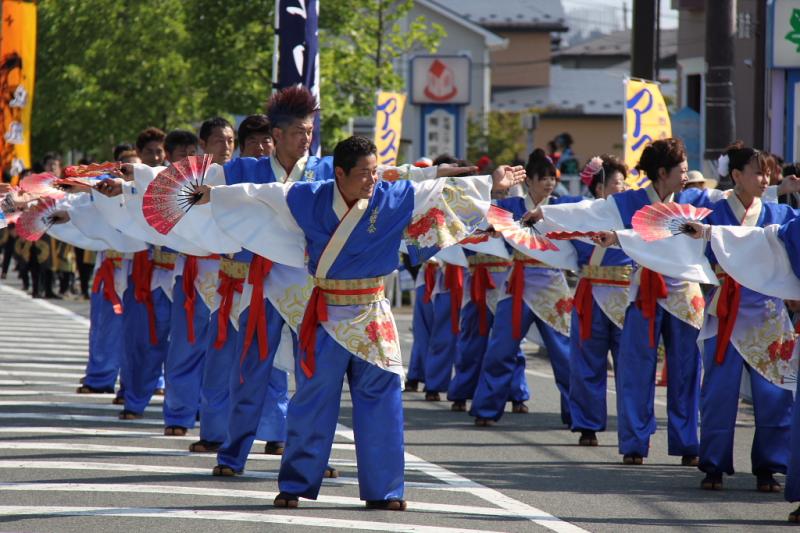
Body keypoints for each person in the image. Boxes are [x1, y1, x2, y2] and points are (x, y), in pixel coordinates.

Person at [194, 135, 524, 510]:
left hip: (372, 312)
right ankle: (296, 482)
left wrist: (490, 186)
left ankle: (384, 490)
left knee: (381, 400)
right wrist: (214, 196)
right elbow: (259, 194)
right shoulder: (309, 197)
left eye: (375, 171)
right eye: (365, 173)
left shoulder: (390, 197)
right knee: (312, 400)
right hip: (326, 311)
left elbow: (435, 191)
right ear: (340, 174)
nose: (373, 180)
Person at [675, 143, 797, 493]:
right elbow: (681, 241)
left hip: (768, 312)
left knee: (775, 393)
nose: (765, 178)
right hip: (725, 309)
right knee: (718, 392)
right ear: (736, 175)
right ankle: (713, 464)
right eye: (757, 171)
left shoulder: (780, 214)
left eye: (768, 171)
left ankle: (769, 467)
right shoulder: (710, 211)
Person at [566, 155, 633, 447]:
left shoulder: (634, 213)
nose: (624, 187)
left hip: (628, 295)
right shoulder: (580, 213)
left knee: (630, 365)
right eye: (618, 182)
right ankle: (587, 424)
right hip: (591, 293)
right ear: (599, 188)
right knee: (587, 362)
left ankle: (631, 431)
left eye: (624, 182)